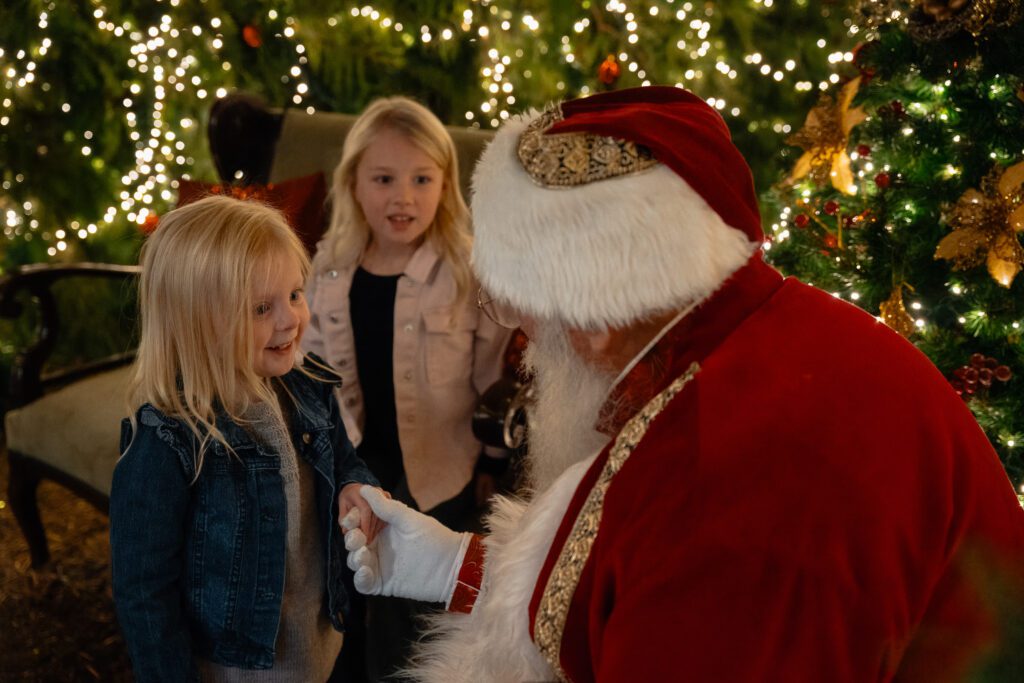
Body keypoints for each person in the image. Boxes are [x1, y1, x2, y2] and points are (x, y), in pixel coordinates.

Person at [342, 86, 1024, 681]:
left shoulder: (734, 477)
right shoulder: (748, 335)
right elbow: (630, 567)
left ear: (595, 318)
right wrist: (455, 567)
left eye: (526, 313)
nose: (526, 346)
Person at [109, 195, 384, 681]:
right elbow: (145, 590)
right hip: (236, 668)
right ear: (196, 321)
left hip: (321, 642)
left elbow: (345, 461)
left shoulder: (310, 385)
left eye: (295, 294)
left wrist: (355, 487)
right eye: (261, 308)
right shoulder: (169, 439)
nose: (290, 320)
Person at [302, 96, 513, 679]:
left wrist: (492, 460)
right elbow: (311, 370)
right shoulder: (328, 268)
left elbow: (491, 373)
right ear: (354, 184)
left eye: (422, 179)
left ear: (445, 185)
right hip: (350, 462)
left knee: (409, 614)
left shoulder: (465, 269)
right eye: (384, 179)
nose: (404, 197)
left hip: (439, 466)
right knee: (341, 586)